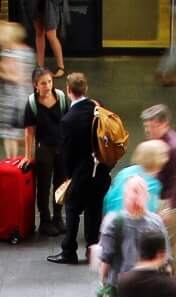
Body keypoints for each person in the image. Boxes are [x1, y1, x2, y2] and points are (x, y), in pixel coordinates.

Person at [52, 73, 110, 265]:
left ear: (69, 91)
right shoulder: (97, 109)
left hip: (81, 172)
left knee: (72, 209)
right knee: (94, 209)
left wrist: (69, 176)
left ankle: (69, 250)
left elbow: (66, 153)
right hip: (100, 170)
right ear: (85, 89)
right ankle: (93, 250)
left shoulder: (68, 120)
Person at [98, 172, 170, 286]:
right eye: (133, 192)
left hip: (132, 287)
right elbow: (106, 258)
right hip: (133, 287)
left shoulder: (156, 222)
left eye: (139, 192)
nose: (135, 197)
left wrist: (102, 283)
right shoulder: (113, 222)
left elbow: (105, 259)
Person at [23, 69, 66, 238]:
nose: (47, 86)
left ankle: (58, 216)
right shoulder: (32, 103)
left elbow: (68, 121)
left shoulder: (61, 97)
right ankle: (45, 220)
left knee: (61, 184)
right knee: (44, 185)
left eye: (49, 81)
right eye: (43, 83)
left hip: (62, 147)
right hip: (44, 149)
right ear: (35, 85)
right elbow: (29, 131)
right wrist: (28, 155)